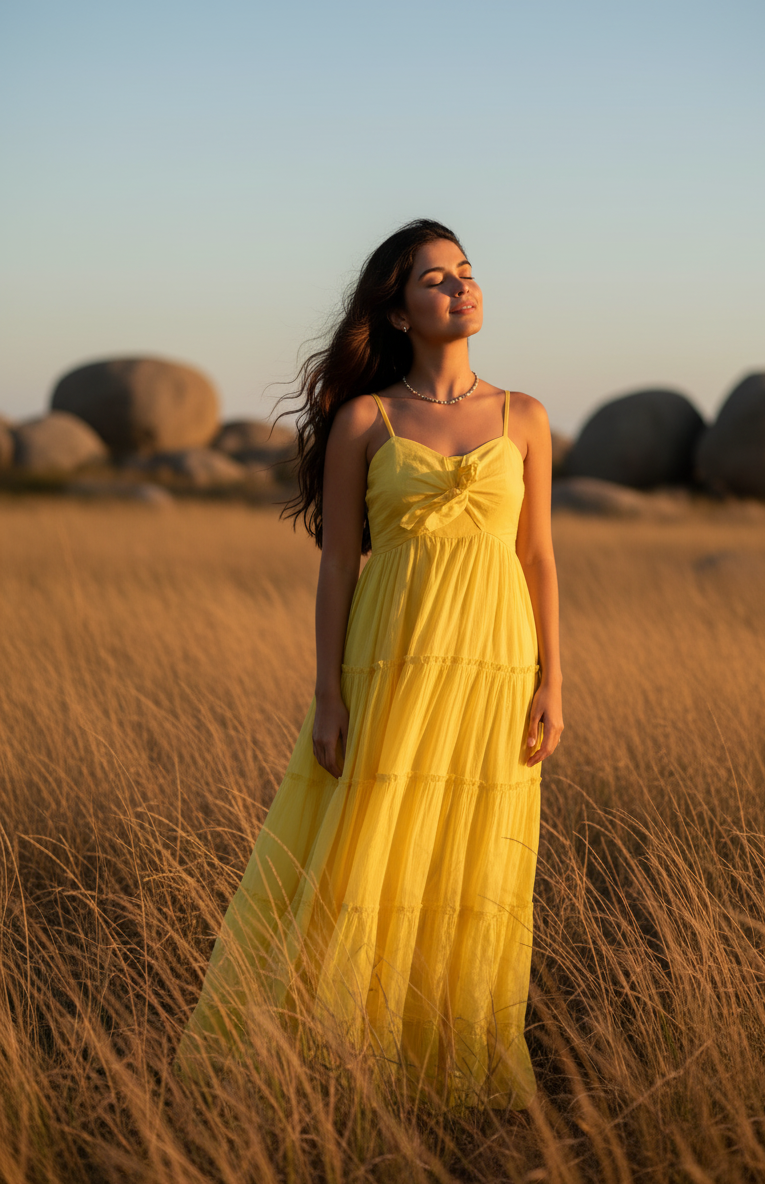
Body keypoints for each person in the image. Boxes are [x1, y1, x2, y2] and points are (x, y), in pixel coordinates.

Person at [175, 218, 563, 1110]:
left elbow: (537, 557)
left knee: (472, 862)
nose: (461, 288)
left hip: (494, 668)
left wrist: (552, 681)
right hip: (388, 665)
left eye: (466, 272)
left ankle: (452, 1074)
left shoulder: (526, 417)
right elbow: (338, 565)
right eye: (435, 278)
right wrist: (327, 696)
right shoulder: (364, 420)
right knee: (369, 852)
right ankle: (340, 1066)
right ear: (395, 309)